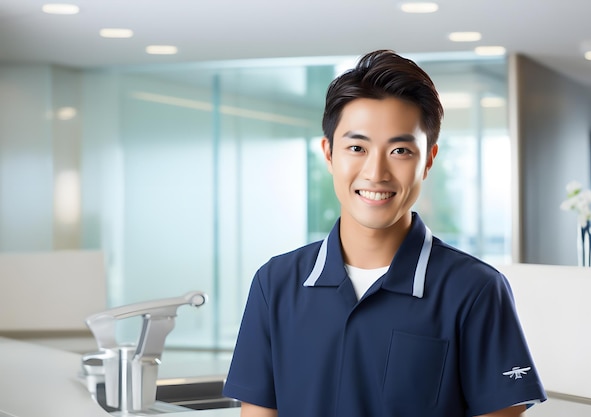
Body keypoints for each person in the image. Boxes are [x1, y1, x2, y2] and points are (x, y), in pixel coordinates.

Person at [222, 49, 546, 417]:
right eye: (357, 147)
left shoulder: (475, 290)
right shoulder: (275, 283)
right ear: (328, 153)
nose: (376, 172)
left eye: (400, 150)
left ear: (428, 160)